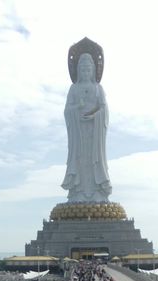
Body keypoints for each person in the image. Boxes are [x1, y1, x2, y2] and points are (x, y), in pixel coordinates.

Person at [62, 52, 112, 203]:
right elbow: (67, 111)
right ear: (78, 71)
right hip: (78, 133)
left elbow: (104, 109)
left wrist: (94, 116)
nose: (85, 72)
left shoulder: (98, 88)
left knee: (95, 159)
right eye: (82, 69)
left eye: (87, 69)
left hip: (94, 132)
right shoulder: (73, 89)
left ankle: (98, 193)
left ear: (92, 71)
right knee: (79, 160)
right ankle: (78, 192)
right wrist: (78, 107)